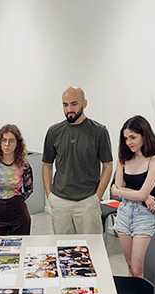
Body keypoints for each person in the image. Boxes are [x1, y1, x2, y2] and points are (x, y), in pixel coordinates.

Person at [42, 86, 113, 234]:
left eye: (74, 104)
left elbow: (108, 165)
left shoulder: (99, 132)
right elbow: (47, 164)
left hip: (87, 201)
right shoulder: (54, 132)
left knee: (91, 249)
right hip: (59, 201)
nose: (69, 109)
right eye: (65, 104)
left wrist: (97, 197)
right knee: (64, 250)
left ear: (84, 103)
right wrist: (49, 194)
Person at [111, 116, 155, 294]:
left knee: (136, 270)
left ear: (144, 135)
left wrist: (139, 195)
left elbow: (123, 190)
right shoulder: (124, 158)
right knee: (130, 266)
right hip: (124, 212)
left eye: (133, 137)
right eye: (126, 138)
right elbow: (115, 188)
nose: (129, 142)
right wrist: (140, 195)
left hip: (144, 216)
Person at [0, 124, 33, 235]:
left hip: (18, 211)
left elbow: (29, 189)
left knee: (20, 245)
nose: (7, 144)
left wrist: (18, 200)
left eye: (11, 141)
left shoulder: (24, 166)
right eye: (4, 140)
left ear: (17, 143)